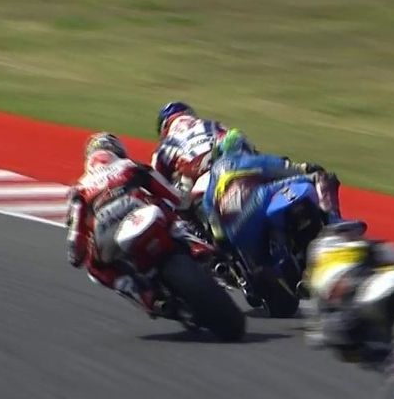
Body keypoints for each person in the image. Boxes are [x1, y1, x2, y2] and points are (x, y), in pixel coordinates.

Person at [65, 132, 190, 315]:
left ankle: (141, 295)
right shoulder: (128, 165)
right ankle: (194, 244)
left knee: (94, 268)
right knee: (164, 205)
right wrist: (180, 204)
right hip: (138, 208)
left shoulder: (80, 188)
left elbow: (76, 238)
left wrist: (77, 255)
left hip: (106, 230)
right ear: (117, 151)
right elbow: (169, 192)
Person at [300, 221, 394, 363]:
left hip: (348, 296)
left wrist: (315, 328)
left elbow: (311, 293)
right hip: (353, 293)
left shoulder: (319, 251)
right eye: (350, 232)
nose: (354, 235)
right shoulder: (360, 246)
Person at [202, 128, 343, 248]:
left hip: (236, 233)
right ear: (243, 146)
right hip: (259, 199)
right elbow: (291, 169)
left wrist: (225, 240)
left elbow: (213, 220)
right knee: (320, 177)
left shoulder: (212, 179)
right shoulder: (248, 159)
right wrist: (306, 167)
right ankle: (335, 227)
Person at [151, 101, 231, 193]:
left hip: (200, 180)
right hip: (235, 163)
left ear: (164, 127)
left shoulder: (166, 143)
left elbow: (157, 183)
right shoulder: (214, 124)